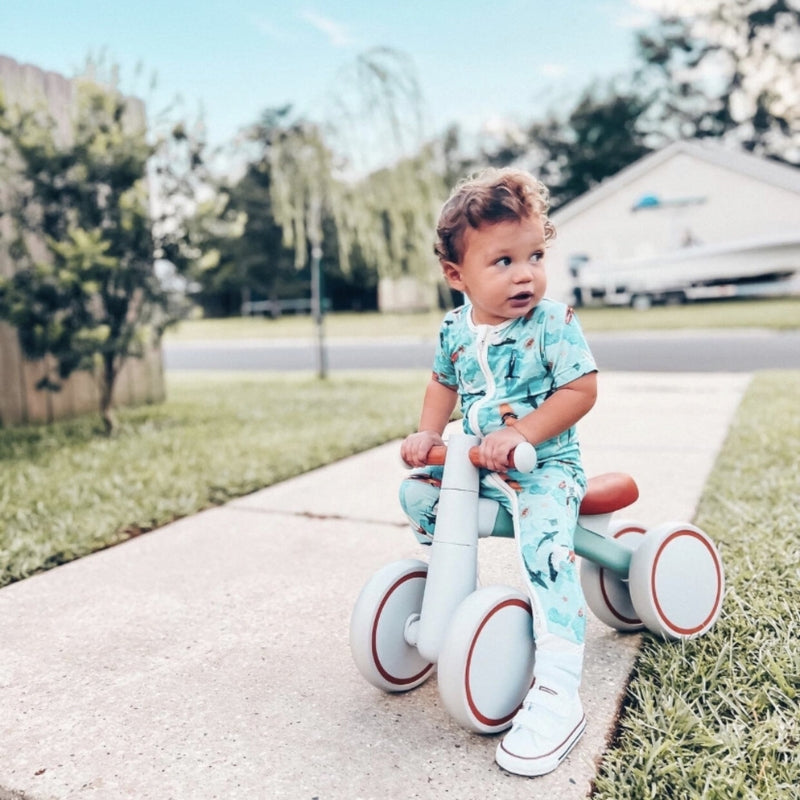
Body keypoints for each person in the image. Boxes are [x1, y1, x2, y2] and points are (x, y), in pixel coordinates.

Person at [399, 167, 598, 777]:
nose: (525, 274)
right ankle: (446, 592)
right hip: (477, 466)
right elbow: (442, 382)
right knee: (418, 497)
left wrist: (522, 433)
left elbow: (581, 390)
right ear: (456, 275)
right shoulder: (454, 329)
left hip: (544, 466)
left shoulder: (554, 323)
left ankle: (559, 686)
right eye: (503, 261)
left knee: (544, 551)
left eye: (535, 256)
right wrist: (430, 433)